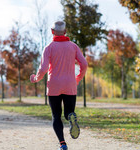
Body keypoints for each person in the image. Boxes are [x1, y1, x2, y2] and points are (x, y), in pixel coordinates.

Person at [30, 21, 87, 150]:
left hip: (54, 85)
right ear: (65, 32)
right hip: (70, 84)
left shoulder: (49, 48)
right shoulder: (73, 47)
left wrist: (35, 78)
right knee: (69, 112)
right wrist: (78, 78)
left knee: (56, 115)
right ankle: (71, 117)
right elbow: (84, 64)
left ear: (52, 31)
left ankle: (62, 144)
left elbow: (43, 68)